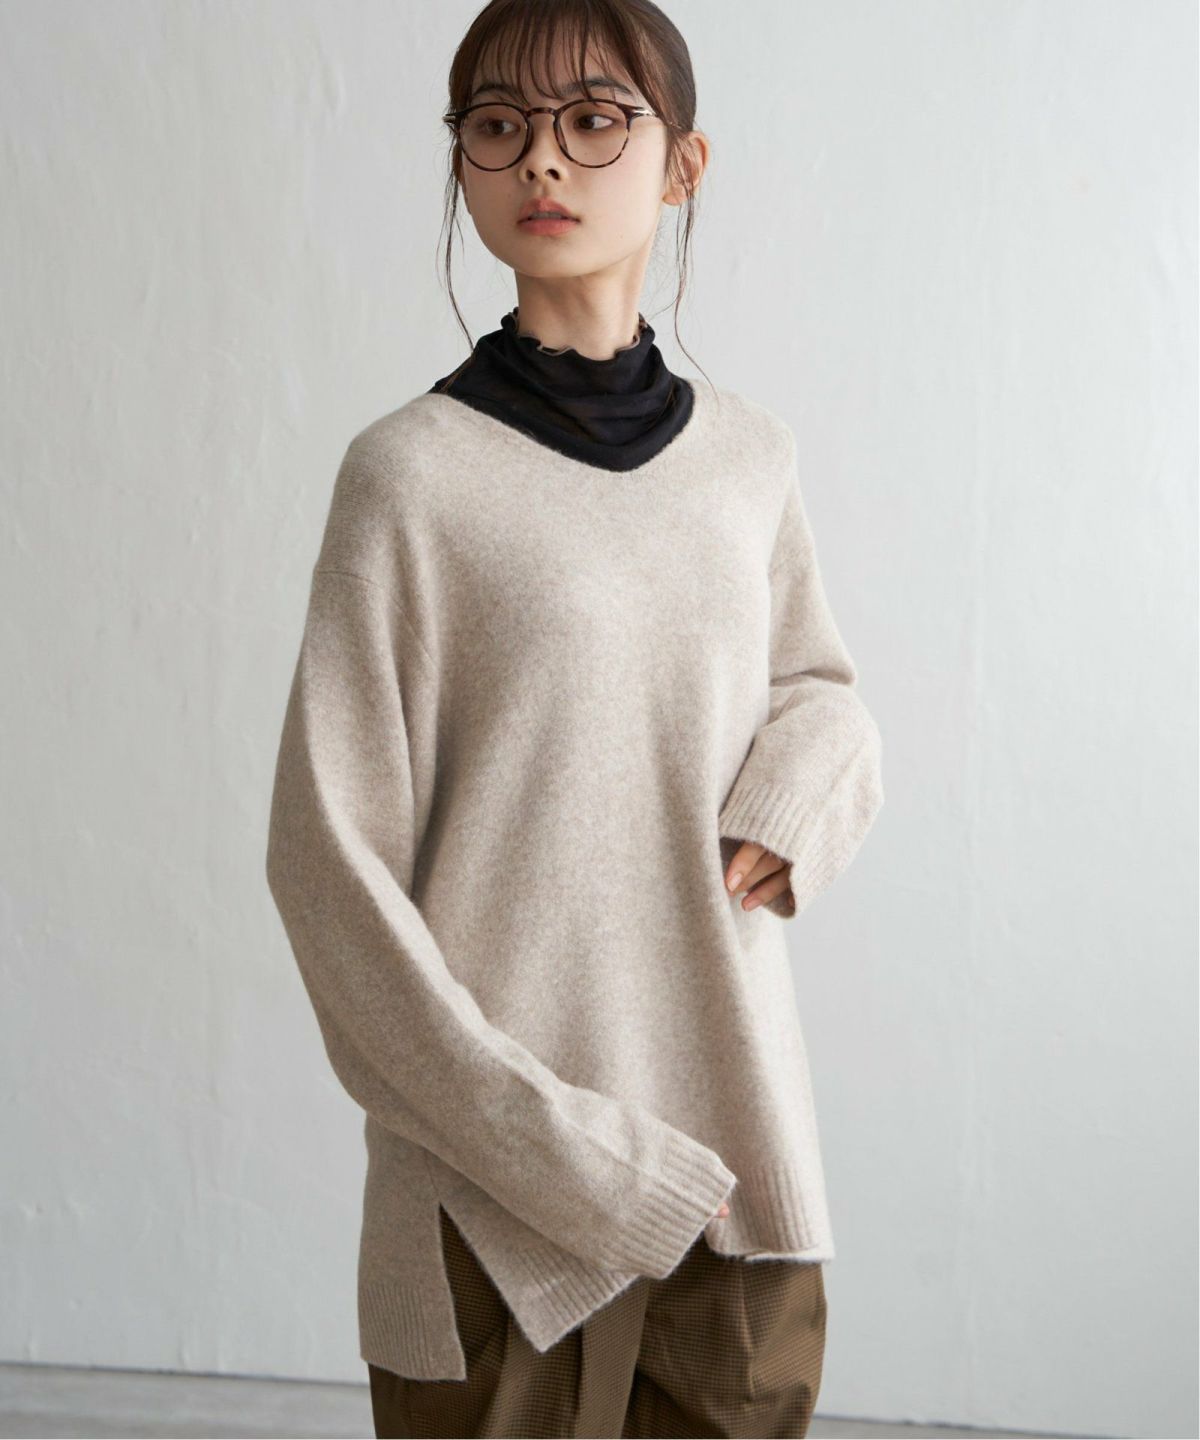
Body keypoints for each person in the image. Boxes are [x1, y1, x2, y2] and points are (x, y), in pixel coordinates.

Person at [265, 1, 885, 1436]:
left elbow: (821, 694)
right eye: (499, 126)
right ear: (465, 164)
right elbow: (325, 865)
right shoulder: (408, 478)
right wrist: (554, 1150)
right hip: (490, 1196)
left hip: (731, 1158)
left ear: (683, 165)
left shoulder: (750, 461)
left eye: (595, 120)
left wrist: (795, 801)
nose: (542, 160)